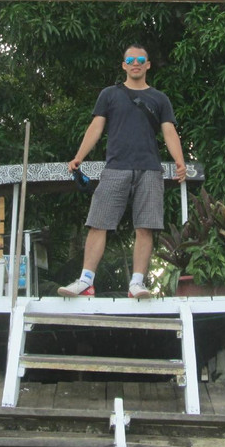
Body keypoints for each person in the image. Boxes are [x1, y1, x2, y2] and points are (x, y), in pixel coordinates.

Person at [61, 44, 187, 299]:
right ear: (124, 65)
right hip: (115, 167)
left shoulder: (160, 98)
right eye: (131, 59)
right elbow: (96, 127)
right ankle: (86, 281)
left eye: (141, 59)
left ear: (148, 65)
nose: (136, 63)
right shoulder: (109, 94)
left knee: (145, 227)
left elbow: (169, 131)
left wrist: (180, 161)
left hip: (150, 169)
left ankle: (136, 284)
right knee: (98, 223)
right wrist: (79, 156)